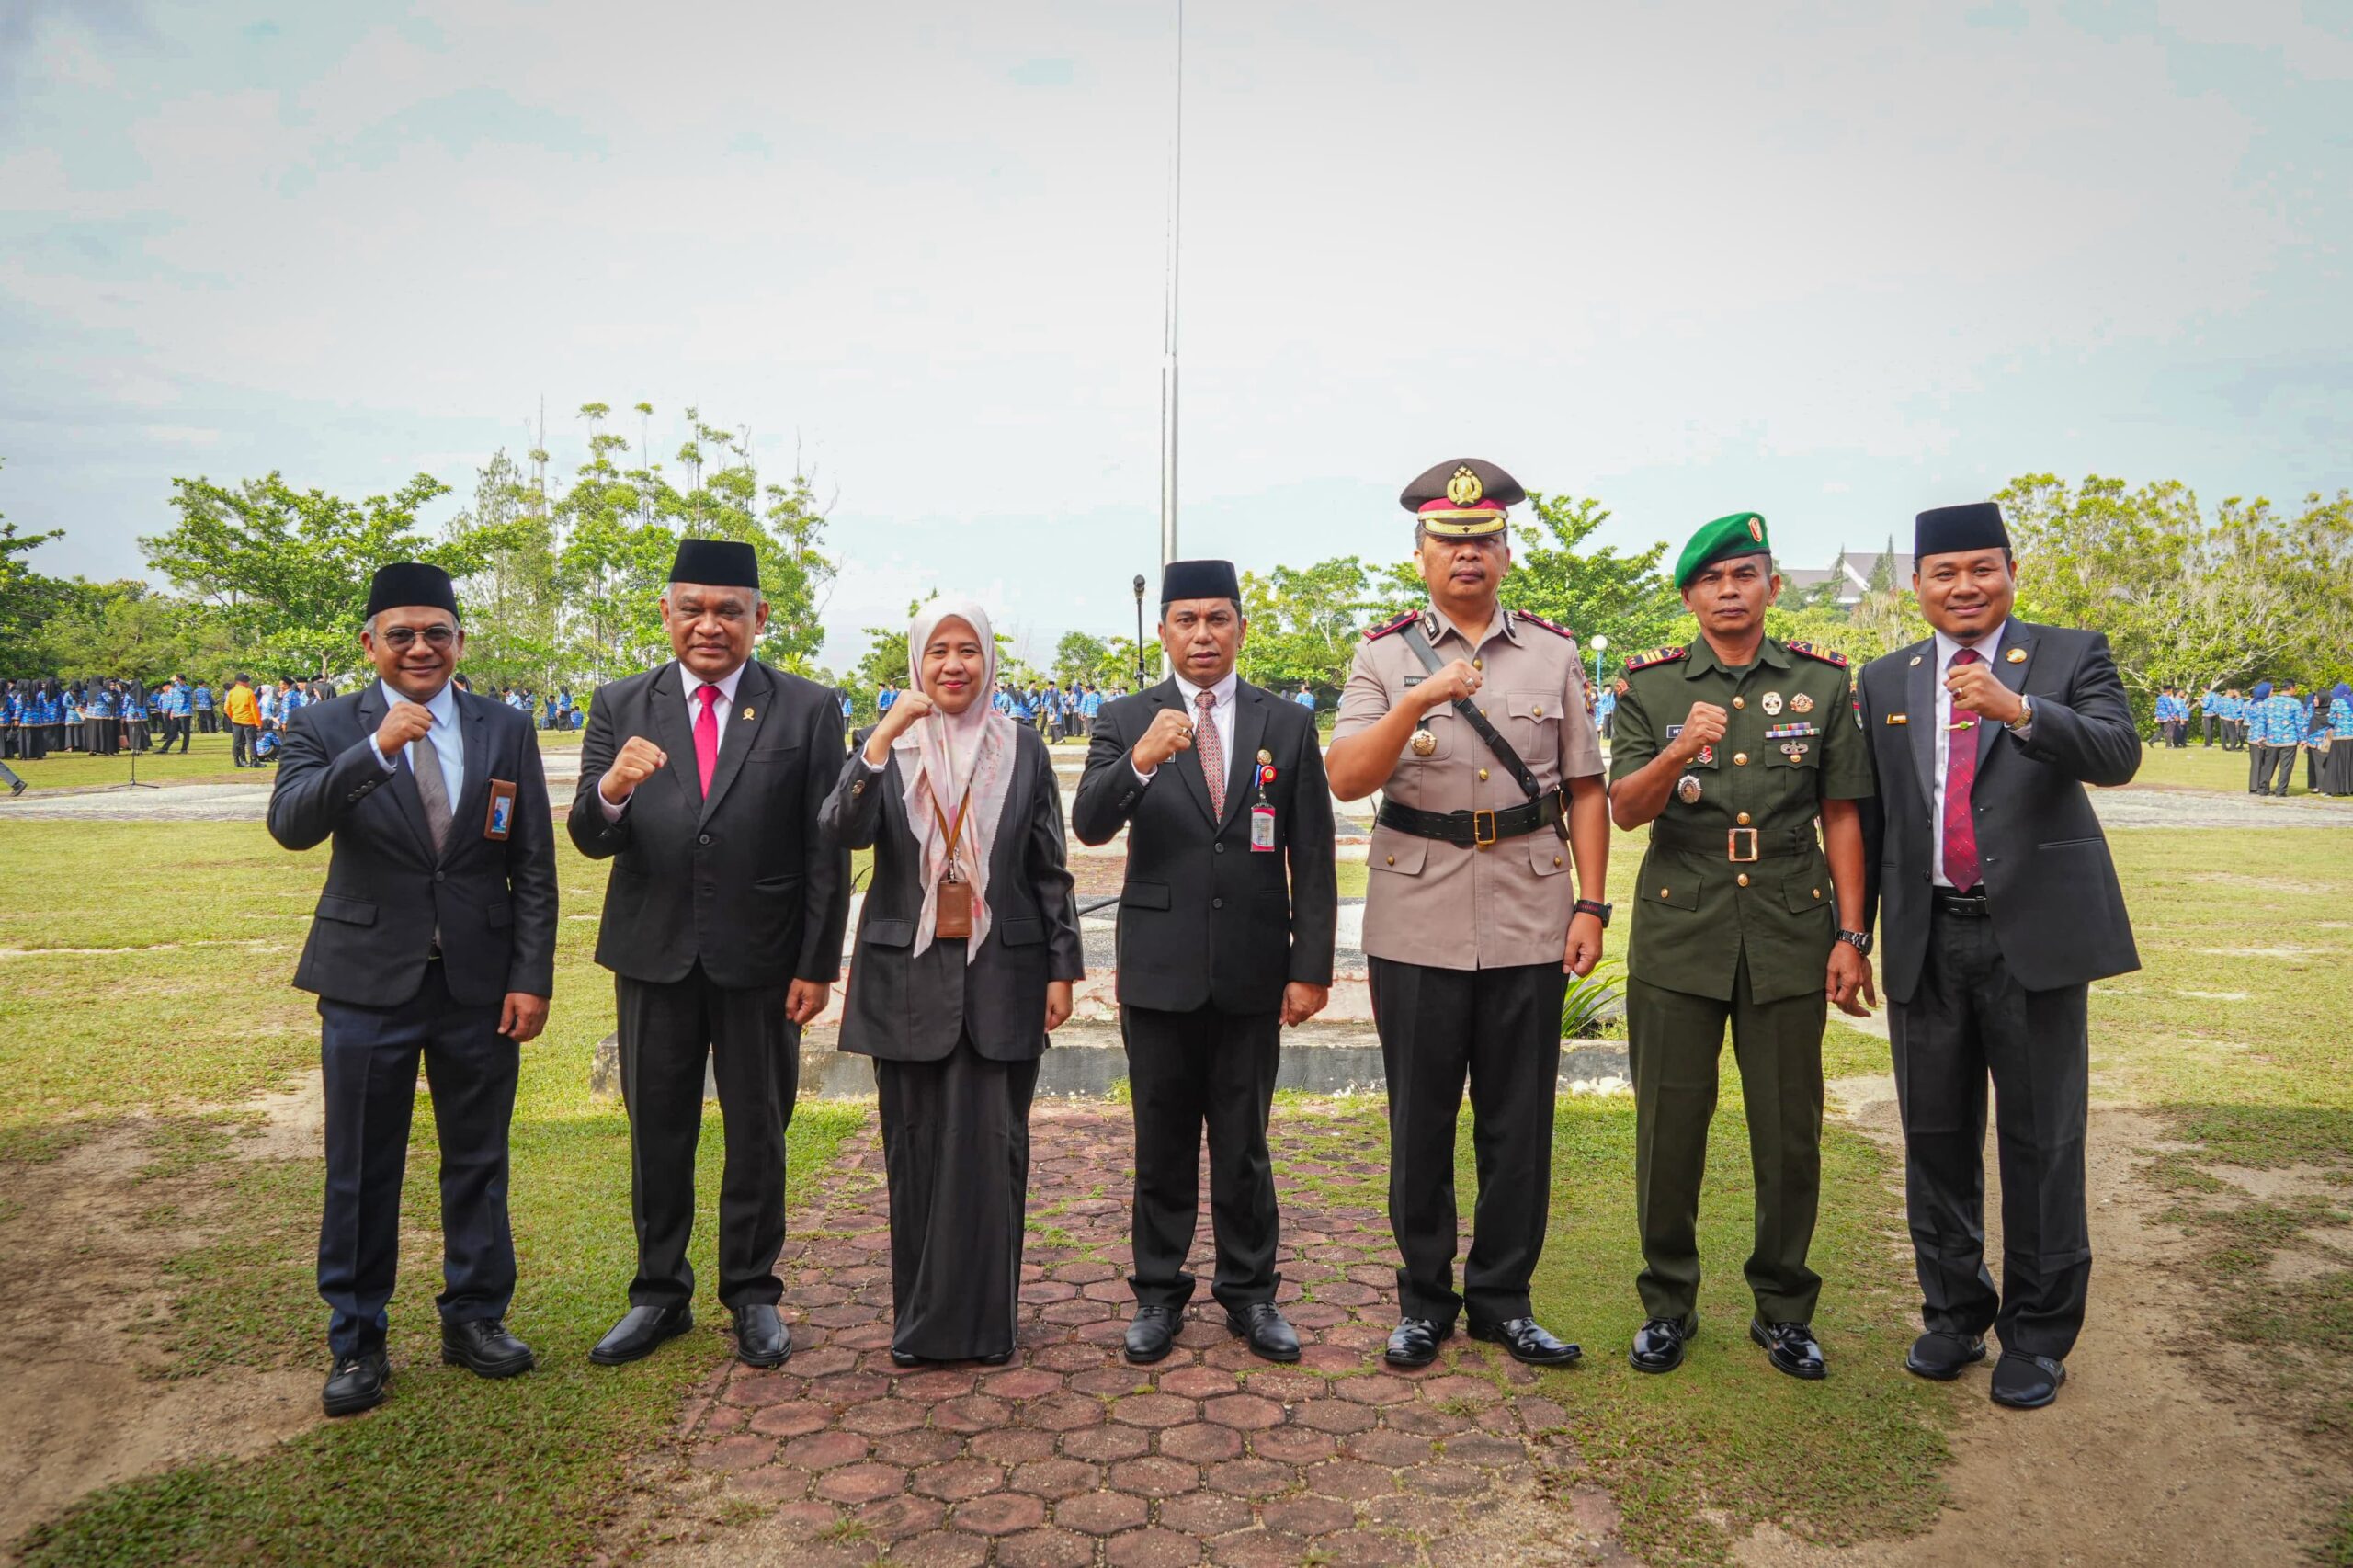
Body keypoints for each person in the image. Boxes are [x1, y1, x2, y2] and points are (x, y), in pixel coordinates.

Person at [1325, 458, 1610, 1369]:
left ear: (1507, 552)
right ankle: (1423, 1302)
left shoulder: (1553, 654)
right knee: (1421, 1121)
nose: (1467, 555)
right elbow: (1346, 777)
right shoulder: (1381, 657)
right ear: (1420, 556)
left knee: (1517, 1121)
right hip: (1416, 915)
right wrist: (1417, 696)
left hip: (1531, 910)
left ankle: (1503, 1300)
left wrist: (1592, 905)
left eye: (1484, 539)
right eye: (1448, 542)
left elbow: (1585, 789)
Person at [1857, 501, 2141, 1411]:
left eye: (1983, 567)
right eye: (1945, 572)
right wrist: (1851, 934)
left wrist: (2018, 710)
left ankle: (2038, 1335)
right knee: (1935, 1137)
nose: (1965, 586)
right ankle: (1953, 1314)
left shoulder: (2069, 654)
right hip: (1926, 935)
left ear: (2012, 572)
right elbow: (1871, 818)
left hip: (2033, 938)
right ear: (1917, 585)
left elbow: (2117, 754)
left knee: (2041, 1138)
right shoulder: (1885, 677)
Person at [266, 562, 558, 1417]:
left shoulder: (506, 727)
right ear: (370, 644)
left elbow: (532, 864)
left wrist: (530, 977)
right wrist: (377, 750)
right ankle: (358, 1340)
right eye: (402, 634)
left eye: (437, 633)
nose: (421, 647)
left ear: (461, 640)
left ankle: (475, 1317)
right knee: (361, 1168)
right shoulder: (323, 725)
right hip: (366, 985)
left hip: (478, 986)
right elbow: (291, 825)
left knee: (479, 1160)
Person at [1607, 513, 1877, 1381]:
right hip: (1680, 929)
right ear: (1689, 597)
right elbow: (1626, 810)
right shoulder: (1649, 687)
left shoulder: (1822, 683)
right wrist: (1680, 749)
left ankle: (1785, 1310)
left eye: (1745, 575)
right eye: (1712, 580)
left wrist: (1852, 934)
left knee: (1789, 1132)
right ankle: (1668, 1304)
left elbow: (1842, 812)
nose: (1729, 591)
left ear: (1771, 586)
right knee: (1669, 1129)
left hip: (1791, 930)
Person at [570, 539, 851, 1370]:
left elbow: (826, 848)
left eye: (729, 610)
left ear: (759, 617)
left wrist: (816, 963)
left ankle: (753, 1292)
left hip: (763, 961)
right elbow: (588, 836)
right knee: (658, 1130)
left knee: (759, 1129)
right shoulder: (621, 703)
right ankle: (659, 1293)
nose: (709, 624)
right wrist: (613, 788)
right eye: (691, 608)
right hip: (652, 955)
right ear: (665, 613)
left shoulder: (807, 708)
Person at [1073, 560, 1339, 1366]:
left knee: (1244, 1142)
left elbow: (1312, 854)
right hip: (1160, 969)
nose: (1202, 635)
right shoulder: (1126, 718)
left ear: (1241, 629)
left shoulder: (1285, 722)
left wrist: (1311, 967)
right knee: (1160, 1143)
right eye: (1185, 620)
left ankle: (1251, 1293)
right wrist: (1142, 759)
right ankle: (1158, 1294)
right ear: (1163, 633)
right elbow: (1089, 824)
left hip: (1253, 968)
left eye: (1217, 619)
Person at [823, 598, 1083, 1364]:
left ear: (989, 660)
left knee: (995, 1153)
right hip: (906, 982)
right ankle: (923, 1326)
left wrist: (1062, 969)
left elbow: (1048, 867)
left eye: (968, 649)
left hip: (1006, 976)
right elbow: (840, 829)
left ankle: (988, 1327)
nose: (953, 665)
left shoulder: (1023, 747)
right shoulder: (887, 748)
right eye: (937, 651)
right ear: (916, 662)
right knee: (915, 1152)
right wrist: (880, 740)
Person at [2252, 681, 2302, 797]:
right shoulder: (2295, 703)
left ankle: (2263, 789)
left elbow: (2262, 720)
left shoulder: (2268, 702)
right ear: (2291, 688)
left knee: (2268, 765)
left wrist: (2261, 735)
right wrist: (2303, 738)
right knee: (2285, 767)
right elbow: (2300, 722)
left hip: (2272, 738)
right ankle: (2281, 790)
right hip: (2289, 739)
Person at [223, 675, 260, 767]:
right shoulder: (248, 692)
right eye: (247, 681)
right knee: (250, 740)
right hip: (248, 720)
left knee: (237, 741)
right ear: (243, 682)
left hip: (236, 720)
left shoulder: (231, 692)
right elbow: (254, 709)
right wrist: (258, 722)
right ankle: (254, 761)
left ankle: (236, 761)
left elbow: (227, 708)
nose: (248, 683)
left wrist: (233, 717)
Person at [2324, 682, 2353, 797]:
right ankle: (2349, 789)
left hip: (2339, 736)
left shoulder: (2336, 702)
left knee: (2336, 763)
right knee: (2350, 763)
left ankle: (2332, 789)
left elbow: (2331, 720)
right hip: (2351, 736)